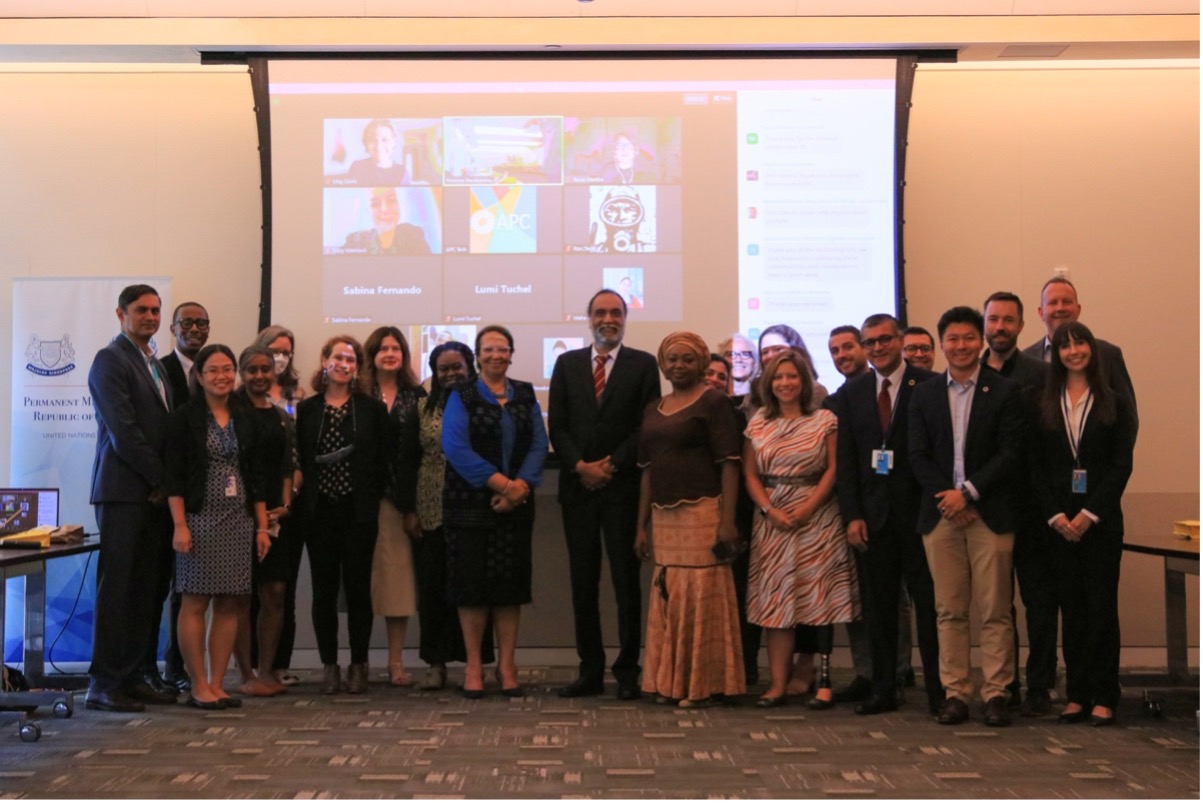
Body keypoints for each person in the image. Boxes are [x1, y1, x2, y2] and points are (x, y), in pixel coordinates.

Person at [909, 306, 1023, 727]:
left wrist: (968, 494)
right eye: (952, 339)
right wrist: (949, 499)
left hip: (989, 515)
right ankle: (955, 693)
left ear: (981, 342)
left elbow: (1010, 453)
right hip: (940, 517)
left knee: (995, 610)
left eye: (968, 338)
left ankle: (997, 693)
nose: (960, 346)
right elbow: (916, 455)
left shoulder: (1006, 391)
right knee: (949, 611)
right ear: (942, 345)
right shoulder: (923, 394)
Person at [549, 290, 660, 701]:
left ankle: (628, 671)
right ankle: (589, 670)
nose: (607, 318)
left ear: (626, 318)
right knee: (583, 583)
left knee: (626, 583)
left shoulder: (643, 365)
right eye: (600, 312)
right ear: (588, 318)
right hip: (578, 489)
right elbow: (557, 425)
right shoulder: (566, 364)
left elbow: (645, 427)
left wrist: (610, 466)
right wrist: (581, 467)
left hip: (623, 488)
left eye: (615, 312)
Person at [832, 314, 943, 716]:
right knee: (879, 610)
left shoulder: (930, 385)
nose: (877, 348)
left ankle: (938, 690)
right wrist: (852, 516)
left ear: (900, 341)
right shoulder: (853, 393)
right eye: (869, 342)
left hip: (921, 516)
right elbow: (847, 461)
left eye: (884, 340)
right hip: (873, 520)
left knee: (930, 607)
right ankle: (883, 689)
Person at [744, 350, 861, 709]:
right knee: (776, 604)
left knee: (819, 601)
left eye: (792, 376)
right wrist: (770, 509)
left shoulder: (825, 419)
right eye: (778, 377)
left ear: (805, 381)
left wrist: (809, 507)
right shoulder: (758, 421)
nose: (785, 383)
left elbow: (833, 469)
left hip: (819, 518)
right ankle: (778, 684)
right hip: (772, 521)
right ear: (768, 383)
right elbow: (750, 473)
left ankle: (823, 682)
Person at [1032, 322, 1136, 727]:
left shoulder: (1114, 401)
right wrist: (1057, 515)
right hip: (1058, 525)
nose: (1073, 351)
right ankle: (1077, 694)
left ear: (1092, 349)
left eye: (1080, 343)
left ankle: (1105, 696)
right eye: (1065, 346)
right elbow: (1035, 465)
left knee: (1101, 610)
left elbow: (1121, 465)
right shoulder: (1045, 400)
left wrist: (1089, 515)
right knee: (1071, 611)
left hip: (1101, 524)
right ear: (1055, 355)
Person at [634, 332, 744, 707]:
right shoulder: (653, 408)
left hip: (704, 514)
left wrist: (727, 521)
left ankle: (702, 685)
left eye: (687, 359)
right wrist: (640, 526)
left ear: (700, 363)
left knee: (701, 596)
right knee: (669, 595)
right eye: (672, 360)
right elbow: (646, 470)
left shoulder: (715, 402)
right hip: (664, 518)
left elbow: (730, 464)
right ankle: (669, 682)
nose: (679, 366)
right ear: (662, 365)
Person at [85, 284, 179, 713]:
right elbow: (124, 433)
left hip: (154, 497)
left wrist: (165, 486)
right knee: (118, 589)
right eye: (142, 310)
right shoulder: (110, 360)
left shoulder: (154, 364)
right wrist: (163, 479)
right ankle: (104, 683)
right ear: (120, 314)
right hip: (124, 492)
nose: (151, 317)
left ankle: (136, 675)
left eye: (156, 310)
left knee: (147, 589)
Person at [442, 326, 549, 699]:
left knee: (509, 588)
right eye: (488, 349)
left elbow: (538, 442)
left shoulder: (524, 392)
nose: (496, 355)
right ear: (478, 355)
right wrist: (504, 485)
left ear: (512, 353)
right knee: (472, 588)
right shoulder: (460, 394)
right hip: (471, 504)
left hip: (517, 506)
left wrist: (520, 488)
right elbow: (455, 448)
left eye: (502, 349)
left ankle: (507, 665)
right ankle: (474, 665)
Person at [165, 344, 271, 709]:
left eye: (228, 369)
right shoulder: (184, 418)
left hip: (238, 521)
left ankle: (216, 682)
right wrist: (180, 526)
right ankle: (197, 684)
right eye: (213, 370)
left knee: (230, 602)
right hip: (198, 519)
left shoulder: (245, 417)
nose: (222, 376)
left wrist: (260, 528)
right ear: (199, 376)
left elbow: (256, 477)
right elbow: (174, 479)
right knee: (194, 602)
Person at [295, 335, 392, 694]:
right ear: (325, 361)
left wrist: (369, 495)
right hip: (318, 513)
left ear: (357, 368)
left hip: (358, 513)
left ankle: (359, 664)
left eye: (351, 360)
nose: (343, 364)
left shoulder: (371, 409)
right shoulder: (308, 410)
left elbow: (382, 460)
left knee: (357, 591)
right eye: (337, 357)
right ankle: (329, 664)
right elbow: (302, 459)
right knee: (322, 592)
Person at [981, 291, 1055, 716]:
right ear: (984, 324)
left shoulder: (1041, 374)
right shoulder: (969, 372)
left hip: (1032, 505)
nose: (1000, 327)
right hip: (988, 506)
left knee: (1039, 601)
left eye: (1009, 320)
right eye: (993, 320)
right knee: (996, 604)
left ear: (1022, 326)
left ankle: (1041, 683)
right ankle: (1002, 683)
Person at [412, 341, 495, 691]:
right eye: (443, 368)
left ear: (470, 367)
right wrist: (408, 509)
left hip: (473, 504)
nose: (451, 374)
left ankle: (477, 662)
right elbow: (408, 459)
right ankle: (435, 662)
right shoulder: (420, 408)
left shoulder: (484, 404)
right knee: (433, 587)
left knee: (474, 586)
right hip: (430, 507)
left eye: (457, 367)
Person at [232, 346, 298, 698]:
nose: (259, 376)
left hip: (276, 516)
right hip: (237, 514)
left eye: (265, 370)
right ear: (242, 374)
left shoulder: (279, 415)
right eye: (252, 370)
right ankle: (245, 672)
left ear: (274, 373)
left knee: (275, 592)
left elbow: (288, 464)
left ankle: (268, 669)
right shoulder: (230, 413)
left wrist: (285, 505)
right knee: (241, 596)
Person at [365, 326, 426, 687]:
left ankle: (395, 661)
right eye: (383, 348)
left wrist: (410, 504)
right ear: (371, 354)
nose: (390, 353)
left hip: (400, 500)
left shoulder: (416, 396)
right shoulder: (357, 393)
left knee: (398, 584)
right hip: (359, 500)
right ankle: (356, 662)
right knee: (361, 583)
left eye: (396, 348)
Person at [157, 301, 210, 692]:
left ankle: (188, 669)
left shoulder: (216, 369)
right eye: (186, 322)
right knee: (172, 589)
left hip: (210, 498)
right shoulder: (159, 370)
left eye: (201, 323)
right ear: (173, 327)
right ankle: (172, 670)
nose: (195, 328)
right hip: (167, 493)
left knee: (193, 590)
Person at [251, 325, 306, 686]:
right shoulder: (241, 397)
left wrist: (289, 498)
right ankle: (248, 666)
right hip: (248, 505)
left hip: (289, 504)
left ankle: (277, 664)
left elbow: (300, 456)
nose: (280, 356)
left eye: (287, 351)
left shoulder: (298, 396)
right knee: (247, 591)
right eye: (274, 350)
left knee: (281, 589)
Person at [1023, 276, 1136, 426]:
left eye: (1067, 302)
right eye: (1053, 302)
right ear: (1041, 312)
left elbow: (1128, 417)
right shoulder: (1026, 359)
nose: (1060, 308)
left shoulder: (1109, 355)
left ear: (1078, 309)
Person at [343, 187, 431, 256]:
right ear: (367, 210)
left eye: (392, 200)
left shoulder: (412, 235)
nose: (385, 209)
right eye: (375, 204)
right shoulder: (355, 242)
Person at [345, 118, 409, 185]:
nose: (379, 146)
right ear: (366, 143)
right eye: (373, 140)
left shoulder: (401, 173)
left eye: (384, 140)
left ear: (393, 142)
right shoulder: (357, 167)